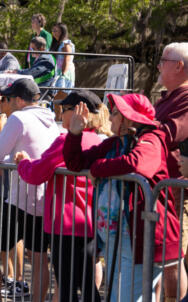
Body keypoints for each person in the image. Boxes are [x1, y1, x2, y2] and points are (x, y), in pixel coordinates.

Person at [63, 93, 181, 302]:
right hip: (119, 237)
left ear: (128, 118)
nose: (110, 119)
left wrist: (98, 169)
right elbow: (76, 163)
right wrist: (74, 134)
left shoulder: (151, 139)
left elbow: (138, 164)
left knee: (125, 298)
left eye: (115, 113)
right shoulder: (115, 144)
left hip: (140, 238)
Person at [0, 78, 59, 302]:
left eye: (8, 98)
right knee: (40, 259)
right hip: (45, 198)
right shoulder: (51, 119)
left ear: (20, 100)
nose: (4, 102)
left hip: (19, 198)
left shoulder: (18, 117)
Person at [15, 90, 106, 301]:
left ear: (77, 112)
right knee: (87, 284)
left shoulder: (67, 140)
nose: (59, 114)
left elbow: (36, 173)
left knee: (66, 286)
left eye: (63, 110)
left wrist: (23, 162)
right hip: (92, 224)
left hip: (65, 225)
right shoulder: (100, 140)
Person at [154, 42, 188, 300]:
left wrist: (141, 131)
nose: (158, 65)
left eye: (163, 60)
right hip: (160, 188)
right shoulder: (169, 97)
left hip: (176, 190)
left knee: (172, 258)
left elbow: (170, 132)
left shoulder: (186, 97)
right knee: (162, 258)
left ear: (179, 66)